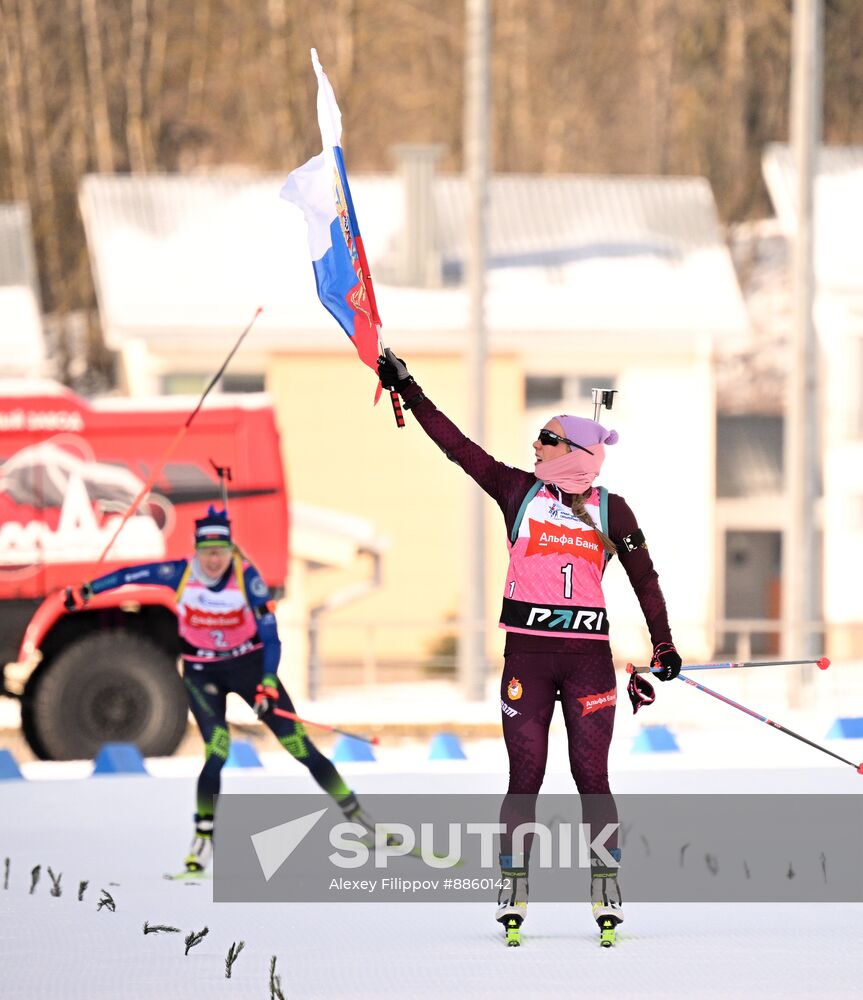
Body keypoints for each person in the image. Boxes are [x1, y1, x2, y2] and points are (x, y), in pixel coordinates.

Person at [377, 350, 682, 947]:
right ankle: (513, 884)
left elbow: (645, 579)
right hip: (528, 661)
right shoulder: (518, 491)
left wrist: (664, 643)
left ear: (574, 451)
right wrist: (408, 389)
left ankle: (605, 884)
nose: (535, 446)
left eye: (546, 439)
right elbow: (458, 448)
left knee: (591, 776)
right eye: (538, 438)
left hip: (588, 661)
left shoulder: (612, 509)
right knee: (527, 776)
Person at [64, 506, 377, 875]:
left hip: (248, 667)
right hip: (202, 672)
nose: (214, 560)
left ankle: (356, 817)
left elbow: (270, 636)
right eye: (207, 552)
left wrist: (267, 684)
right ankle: (202, 839)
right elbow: (130, 574)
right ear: (196, 550)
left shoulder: (248, 579)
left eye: (221, 552)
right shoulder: (178, 573)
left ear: (231, 550)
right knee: (217, 751)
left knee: (300, 748)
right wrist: (88, 590)